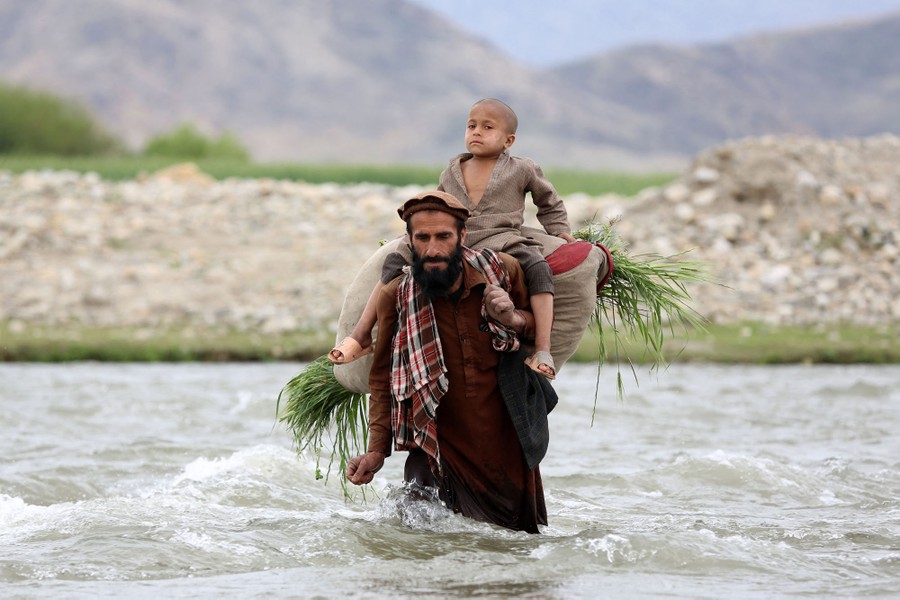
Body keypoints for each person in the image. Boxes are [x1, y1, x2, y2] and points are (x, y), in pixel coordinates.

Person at [346, 191, 557, 534]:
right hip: (434, 448)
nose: (433, 249)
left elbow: (533, 331)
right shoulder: (396, 293)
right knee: (425, 540)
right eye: (422, 238)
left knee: (512, 546)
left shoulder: (504, 271)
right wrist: (376, 451)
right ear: (410, 242)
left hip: (505, 448)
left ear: (461, 236)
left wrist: (512, 317)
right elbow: (382, 377)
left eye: (443, 236)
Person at [330, 98, 575, 380]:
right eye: (471, 126)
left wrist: (557, 229)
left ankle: (543, 349)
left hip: (502, 236)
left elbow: (549, 201)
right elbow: (436, 207)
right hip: (454, 240)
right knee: (395, 259)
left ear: (509, 140)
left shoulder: (522, 168)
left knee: (537, 266)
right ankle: (360, 336)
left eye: (487, 127)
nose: (477, 132)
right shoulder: (453, 169)